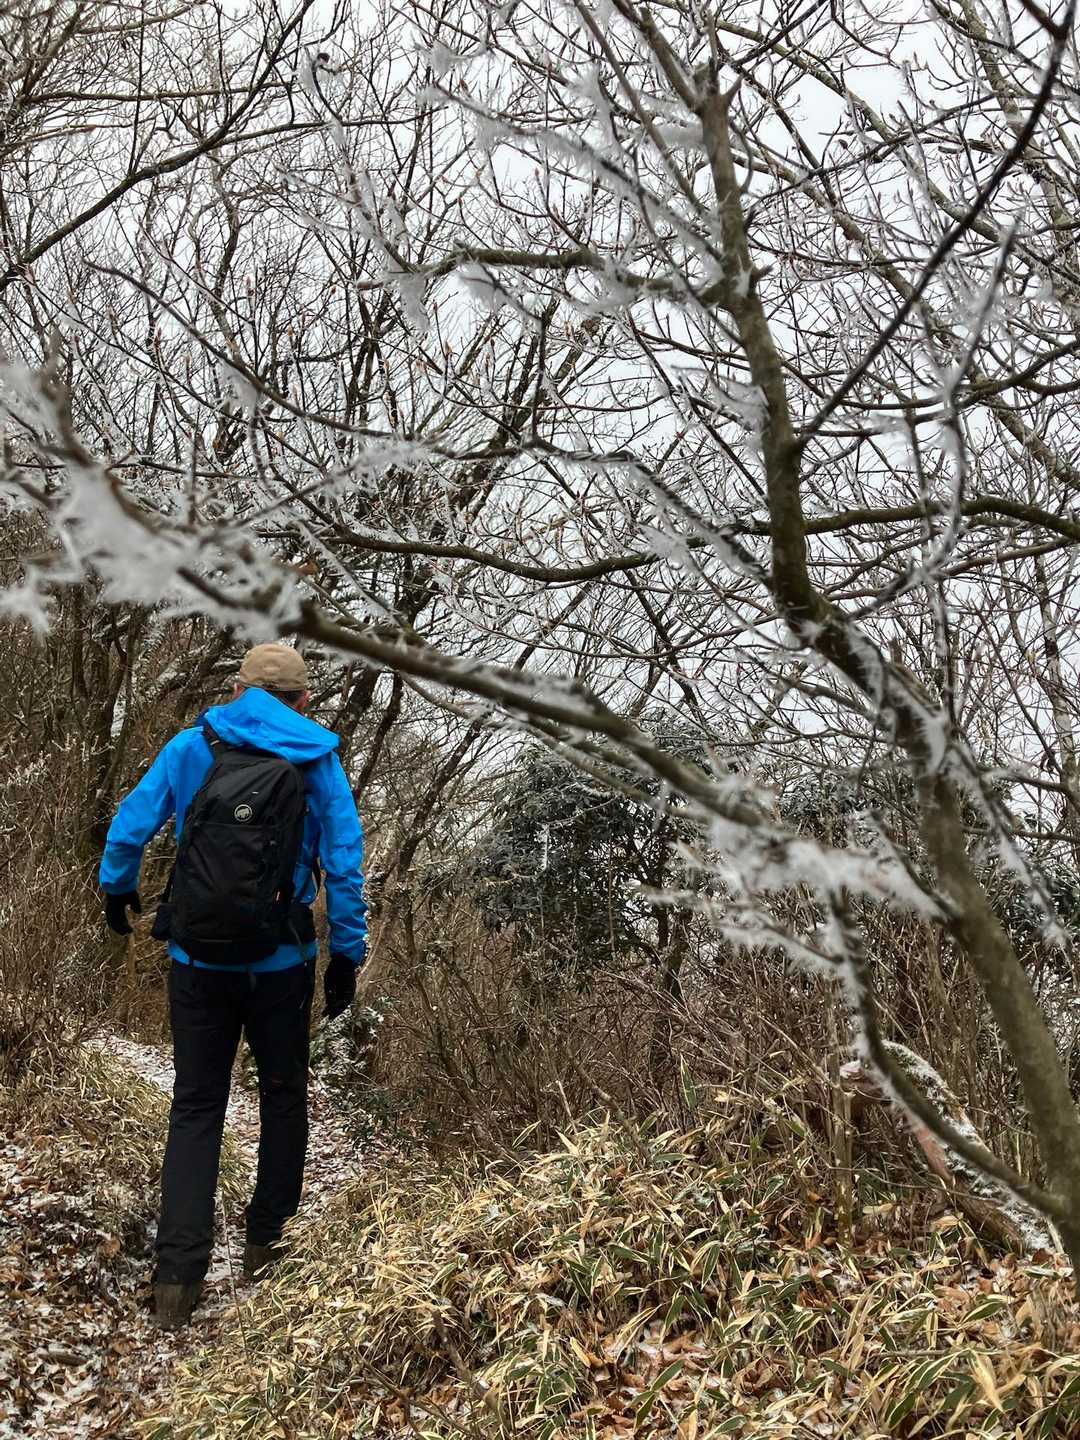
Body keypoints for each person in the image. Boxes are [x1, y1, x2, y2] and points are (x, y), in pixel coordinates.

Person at [99, 643, 367, 1331]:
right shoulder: (318, 761)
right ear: (303, 701)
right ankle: (267, 1247)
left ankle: (176, 1279)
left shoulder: (193, 745)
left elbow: (131, 823)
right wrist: (346, 955)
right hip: (282, 964)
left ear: (240, 690)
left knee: (196, 1105)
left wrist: (116, 888)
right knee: (282, 1096)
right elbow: (343, 863)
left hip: (198, 960)